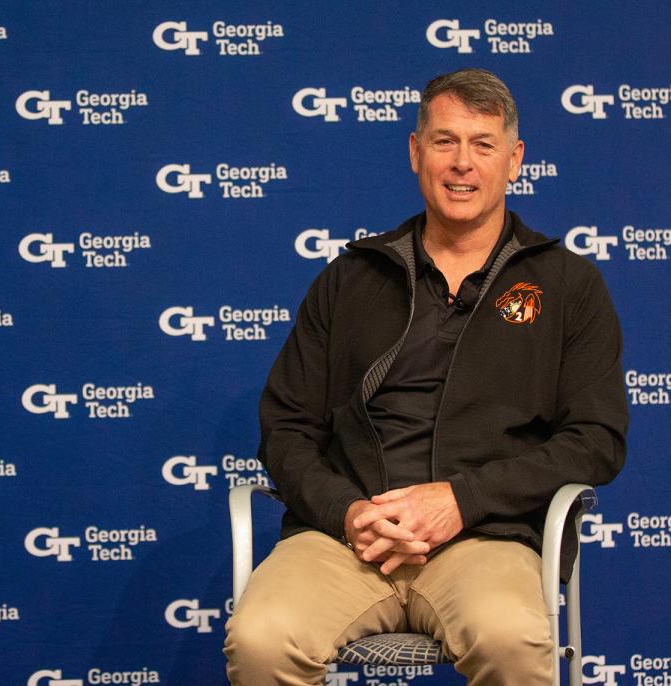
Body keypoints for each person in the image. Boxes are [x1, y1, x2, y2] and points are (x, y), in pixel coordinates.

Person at [223, 68, 627, 685]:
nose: (462, 163)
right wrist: (347, 510)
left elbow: (596, 440)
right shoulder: (350, 278)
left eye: (482, 144)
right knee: (260, 639)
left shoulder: (570, 286)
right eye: (444, 141)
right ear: (416, 153)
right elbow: (285, 426)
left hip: (485, 537)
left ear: (514, 160)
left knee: (509, 638)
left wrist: (462, 501)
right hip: (347, 539)